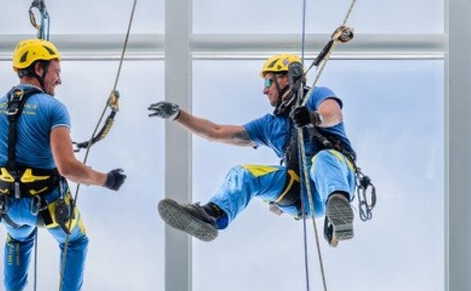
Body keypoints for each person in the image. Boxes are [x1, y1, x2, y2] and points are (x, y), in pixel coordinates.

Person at [0, 39, 126, 291]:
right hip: (48, 206)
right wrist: (107, 180)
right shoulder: (53, 108)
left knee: (18, 238)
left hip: (7, 206)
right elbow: (68, 168)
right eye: (55, 71)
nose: (59, 79)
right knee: (76, 241)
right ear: (39, 68)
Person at [149, 53, 358, 247]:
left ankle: (338, 209)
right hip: (301, 193)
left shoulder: (315, 96)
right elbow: (215, 131)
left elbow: (334, 114)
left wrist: (314, 117)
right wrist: (178, 115)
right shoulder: (269, 125)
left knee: (322, 159)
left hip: (335, 178)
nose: (264, 90)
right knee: (243, 174)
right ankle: (211, 215)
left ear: (286, 77)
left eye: (268, 81)